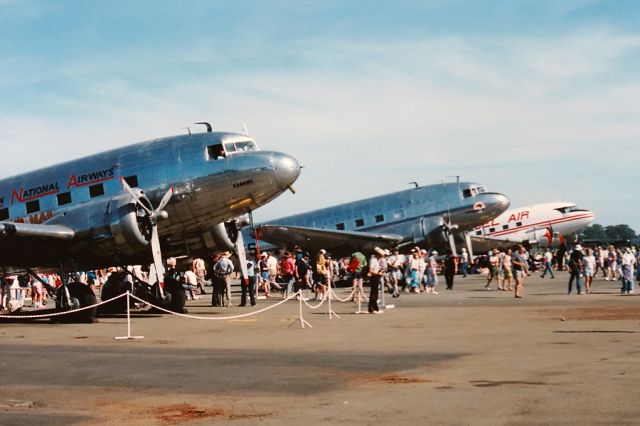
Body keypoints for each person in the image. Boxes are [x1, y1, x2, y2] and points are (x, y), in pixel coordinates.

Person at [367, 247, 386, 314]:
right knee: (374, 293)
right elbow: (371, 270)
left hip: (376, 276)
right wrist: (378, 273)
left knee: (376, 292)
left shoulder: (376, 260)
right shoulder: (373, 260)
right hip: (374, 277)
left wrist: (380, 272)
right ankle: (372, 308)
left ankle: (375, 307)